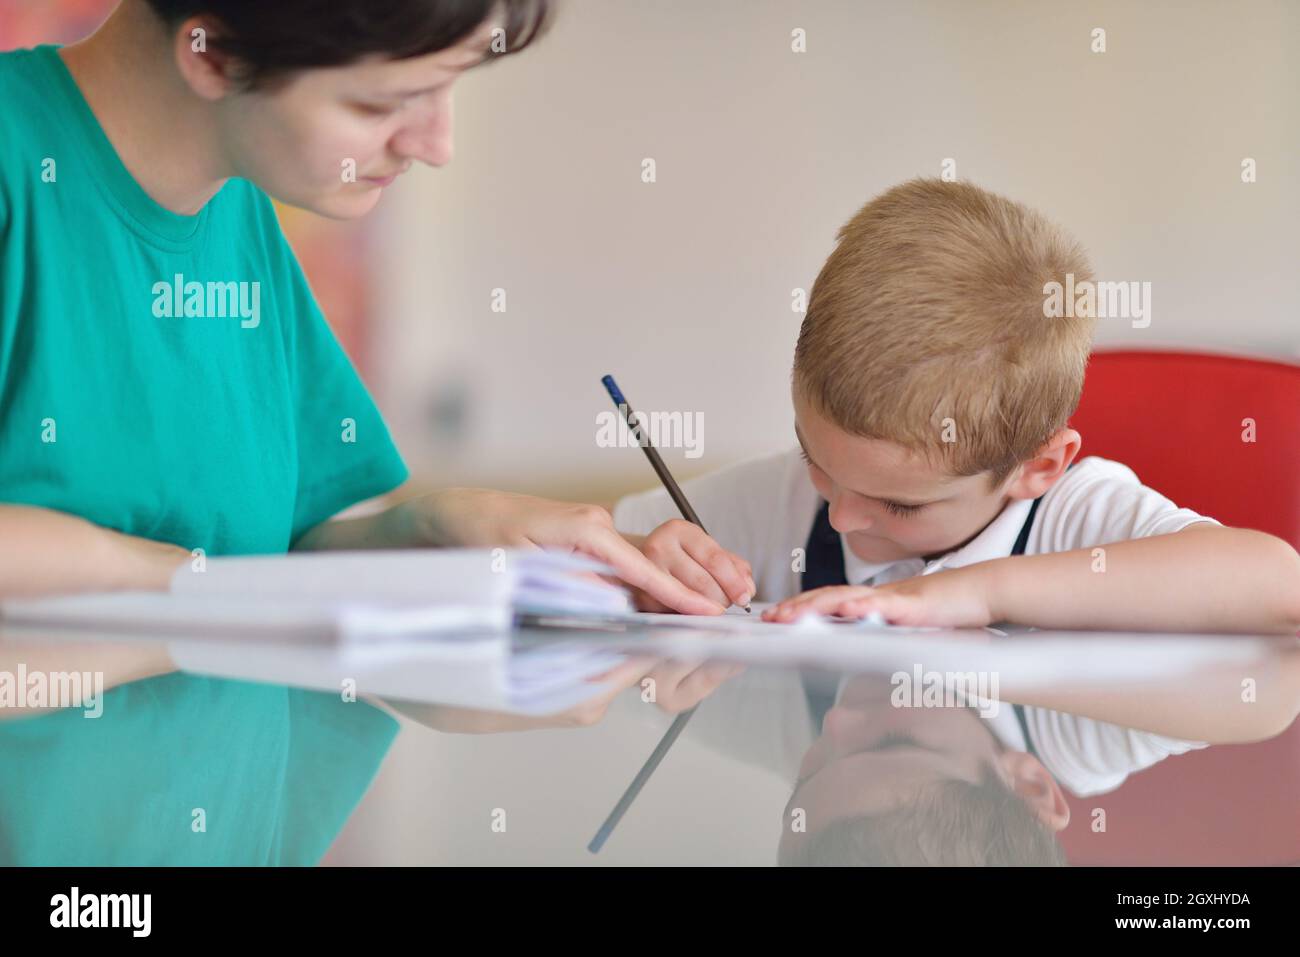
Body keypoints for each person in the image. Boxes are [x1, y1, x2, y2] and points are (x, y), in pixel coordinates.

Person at [0, 0, 745, 865]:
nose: (436, 143)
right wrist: (219, 592)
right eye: (384, 103)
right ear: (212, 55)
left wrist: (437, 528)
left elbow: (291, 550)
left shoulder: (238, 218)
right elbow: (251, 587)